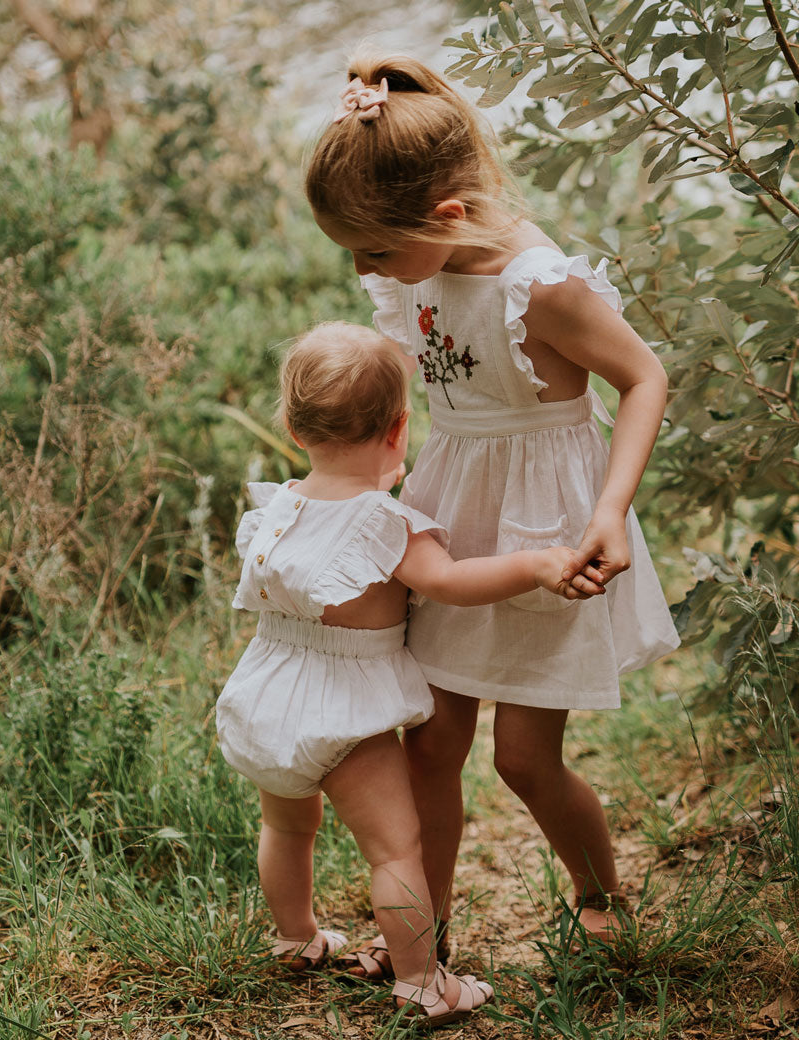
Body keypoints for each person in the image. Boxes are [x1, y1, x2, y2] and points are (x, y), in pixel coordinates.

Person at [304, 52, 680, 977]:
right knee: (431, 739)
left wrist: (610, 510)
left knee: (523, 757)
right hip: (454, 508)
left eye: (373, 249)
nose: (364, 268)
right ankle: (421, 938)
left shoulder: (540, 285)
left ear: (446, 215)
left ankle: (600, 896)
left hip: (546, 527)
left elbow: (643, 378)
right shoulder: (416, 269)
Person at [216, 322, 604, 1026]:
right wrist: (537, 562)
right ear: (400, 430)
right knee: (395, 849)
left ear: (294, 425)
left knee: (288, 825)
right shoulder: (384, 523)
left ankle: (295, 937)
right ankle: (425, 983)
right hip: (343, 712)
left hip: (266, 697)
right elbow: (452, 582)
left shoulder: (275, 508)